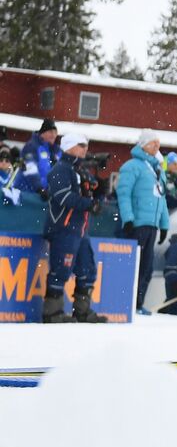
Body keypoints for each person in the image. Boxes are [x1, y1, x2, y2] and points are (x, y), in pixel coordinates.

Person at [42, 134, 107, 323]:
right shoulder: (61, 169)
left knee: (87, 269)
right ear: (69, 146)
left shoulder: (80, 170)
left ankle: (82, 311)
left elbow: (94, 192)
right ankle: (52, 312)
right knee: (61, 269)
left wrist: (100, 181)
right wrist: (88, 204)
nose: (85, 148)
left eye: (87, 145)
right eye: (81, 145)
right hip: (63, 228)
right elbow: (63, 197)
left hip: (80, 229)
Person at [115, 129, 171, 315]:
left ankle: (139, 303)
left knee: (146, 266)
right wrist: (128, 218)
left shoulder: (157, 169)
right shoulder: (132, 166)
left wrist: (164, 225)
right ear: (143, 145)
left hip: (152, 224)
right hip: (138, 223)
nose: (157, 146)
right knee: (134, 266)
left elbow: (161, 199)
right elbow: (124, 194)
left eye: (158, 143)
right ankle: (126, 302)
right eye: (152, 143)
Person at [21, 118, 60, 193]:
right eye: (51, 132)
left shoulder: (56, 150)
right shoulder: (32, 147)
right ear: (42, 133)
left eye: (55, 132)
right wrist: (39, 189)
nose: (54, 135)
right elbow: (30, 169)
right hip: (32, 194)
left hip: (50, 194)